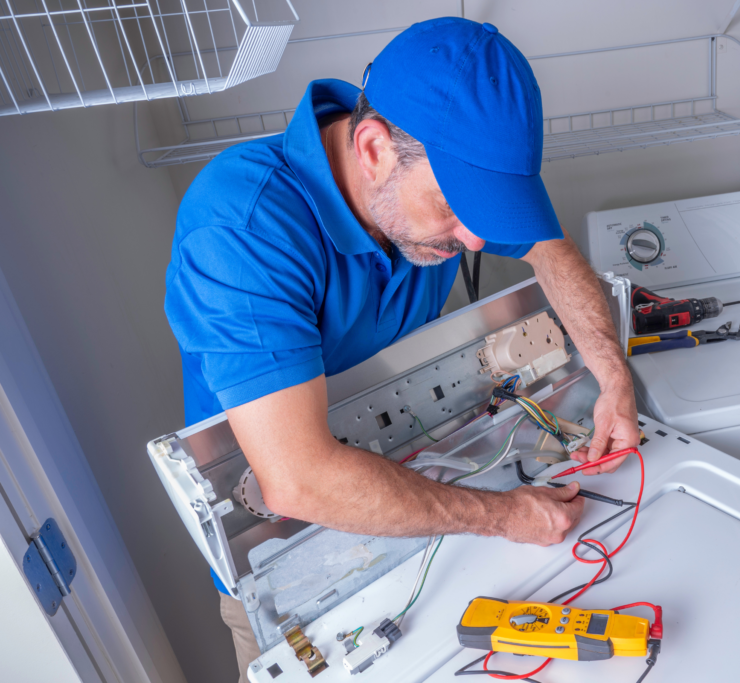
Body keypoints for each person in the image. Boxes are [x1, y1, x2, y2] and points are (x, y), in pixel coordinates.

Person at [164, 17, 638, 681]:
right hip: (291, 561)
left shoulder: (432, 188)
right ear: (374, 148)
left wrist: (614, 379)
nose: (475, 240)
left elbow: (549, 251)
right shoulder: (242, 229)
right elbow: (296, 479)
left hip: (419, 502)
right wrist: (502, 517)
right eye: (453, 207)